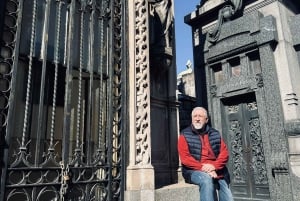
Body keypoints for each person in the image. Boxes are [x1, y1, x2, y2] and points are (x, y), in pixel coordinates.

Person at [178, 107, 233, 201]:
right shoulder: (184, 135)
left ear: (206, 120)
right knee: (206, 179)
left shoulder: (215, 133)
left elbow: (224, 154)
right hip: (193, 171)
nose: (197, 119)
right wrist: (206, 169)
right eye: (195, 116)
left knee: (228, 197)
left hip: (217, 171)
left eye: (200, 116)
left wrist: (214, 166)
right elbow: (185, 159)